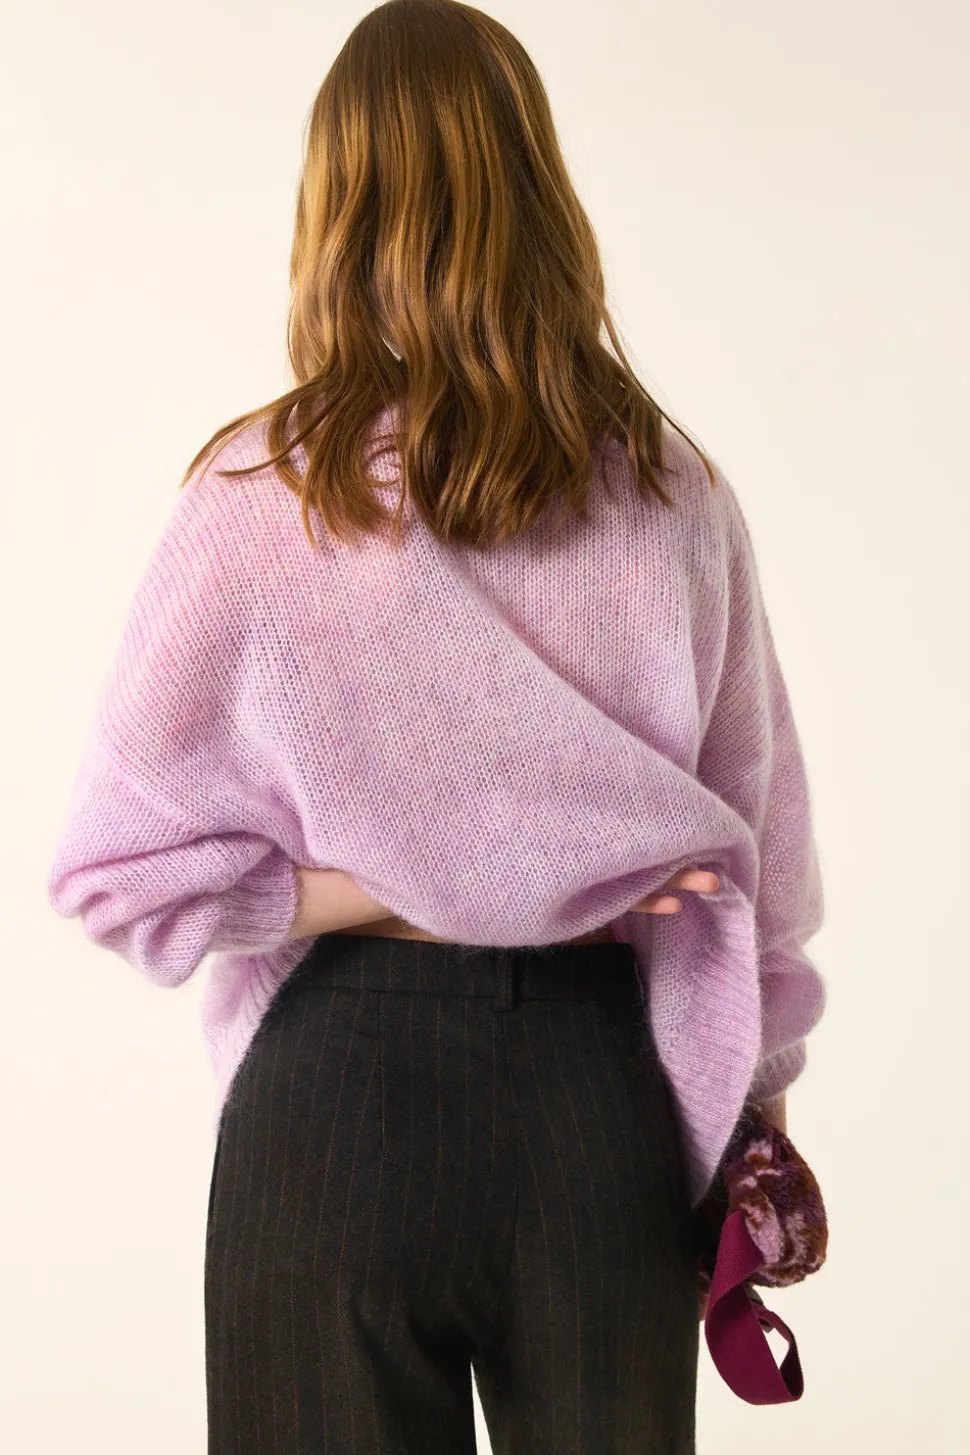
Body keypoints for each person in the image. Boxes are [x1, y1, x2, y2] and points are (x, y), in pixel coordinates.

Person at [46, 2, 824, 1451]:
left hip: (330, 1104)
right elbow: (759, 864)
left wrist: (383, 885)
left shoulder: (256, 497)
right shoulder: (673, 497)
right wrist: (758, 1126)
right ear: (540, 193)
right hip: (595, 1106)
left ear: (332, 205)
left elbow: (116, 877)